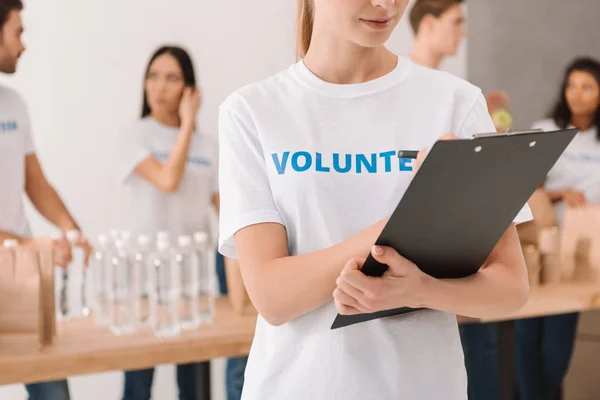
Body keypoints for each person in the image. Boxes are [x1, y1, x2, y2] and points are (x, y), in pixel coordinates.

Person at [217, 0, 533, 398]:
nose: (386, 5)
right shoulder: (251, 112)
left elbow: (510, 288)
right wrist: (400, 224)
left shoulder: (454, 102)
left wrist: (418, 289)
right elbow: (272, 296)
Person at [115, 45, 245, 400]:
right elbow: (168, 180)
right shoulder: (135, 135)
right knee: (138, 384)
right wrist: (188, 124)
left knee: (194, 386)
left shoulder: (209, 146)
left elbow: (229, 211)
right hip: (144, 283)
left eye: (172, 78)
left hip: (195, 283)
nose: (160, 87)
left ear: (189, 89)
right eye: (153, 76)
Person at [0, 1, 92, 399]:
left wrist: (70, 230)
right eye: (18, 32)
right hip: (20, 255)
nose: (24, 45)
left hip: (19, 275)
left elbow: (34, 181)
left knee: (53, 390)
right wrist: (28, 248)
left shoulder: (13, 105)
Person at [515, 57, 600, 400]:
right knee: (526, 338)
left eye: (587, 86)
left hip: (582, 252)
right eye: (571, 85)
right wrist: (560, 193)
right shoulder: (546, 130)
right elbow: (521, 188)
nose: (576, 94)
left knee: (558, 347)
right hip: (540, 247)